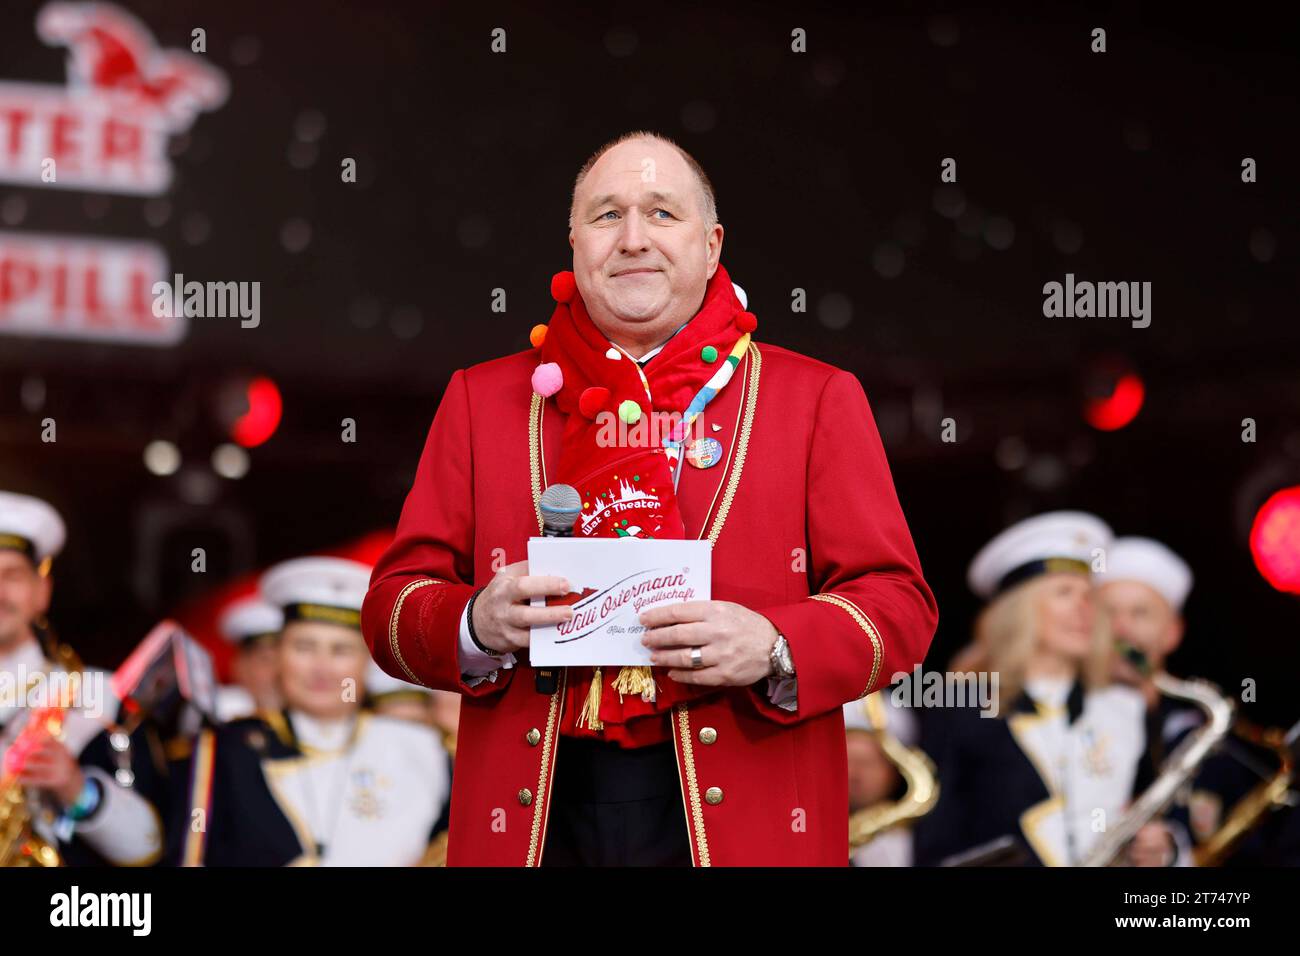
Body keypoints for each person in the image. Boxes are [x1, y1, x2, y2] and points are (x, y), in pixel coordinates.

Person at [363, 130, 937, 866]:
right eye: (607, 215)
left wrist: (773, 644)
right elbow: (391, 609)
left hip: (742, 812)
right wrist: (476, 619)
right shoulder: (482, 398)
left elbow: (899, 606)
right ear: (574, 243)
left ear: (712, 245)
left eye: (662, 213)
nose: (633, 238)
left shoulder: (815, 396)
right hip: (539, 810)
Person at [913, 511, 1180, 867]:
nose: (1084, 609)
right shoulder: (962, 705)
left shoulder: (1127, 707)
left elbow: (1158, 815)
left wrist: (1163, 848)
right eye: (1064, 592)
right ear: (1021, 609)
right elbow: (935, 841)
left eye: (1089, 595)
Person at [174, 557, 449, 866]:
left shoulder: (423, 748)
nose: (322, 669)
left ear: (367, 662)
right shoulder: (227, 750)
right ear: (278, 656)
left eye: (341, 651)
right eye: (304, 647)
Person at [0, 491, 163, 866]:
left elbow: (148, 847)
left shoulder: (100, 694)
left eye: (12, 575)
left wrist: (79, 791)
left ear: (42, 592)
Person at [846, 691, 923, 866]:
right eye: (843, 762)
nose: (852, 774)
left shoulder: (927, 840)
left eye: (865, 763)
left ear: (895, 770)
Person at [213, 595, 283, 722]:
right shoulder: (219, 716)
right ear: (240, 667)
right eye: (266, 660)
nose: (278, 672)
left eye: (284, 661)